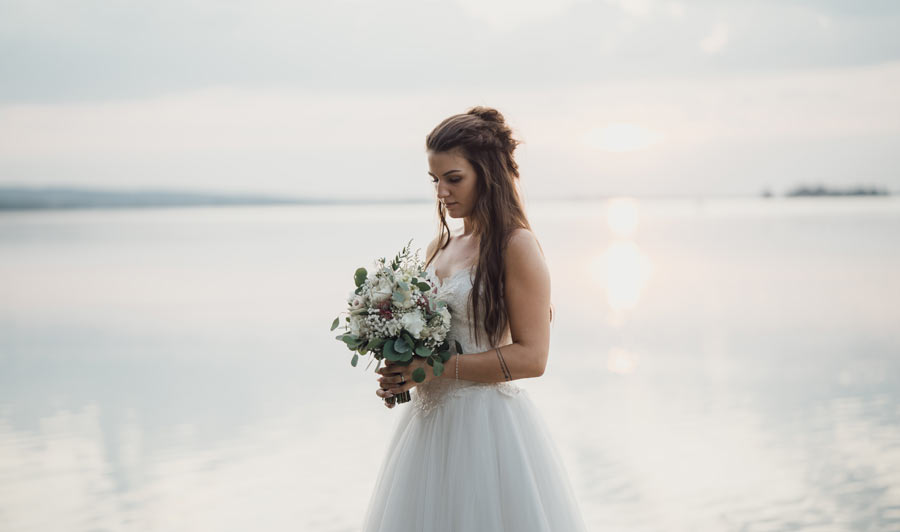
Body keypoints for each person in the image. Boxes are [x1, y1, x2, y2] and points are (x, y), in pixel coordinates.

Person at [362, 106, 589, 532]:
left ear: (487, 173)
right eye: (435, 180)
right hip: (427, 432)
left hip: (487, 431)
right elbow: (430, 344)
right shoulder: (438, 248)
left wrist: (430, 368)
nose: (442, 192)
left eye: (454, 178)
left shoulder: (516, 246)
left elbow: (533, 358)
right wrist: (402, 371)